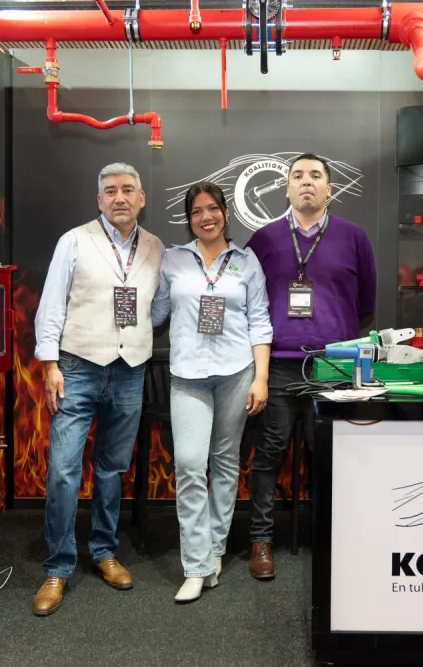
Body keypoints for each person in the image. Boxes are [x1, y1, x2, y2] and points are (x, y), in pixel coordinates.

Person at [31, 162, 164, 616]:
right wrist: (50, 364)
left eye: (128, 189)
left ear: (141, 198)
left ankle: (104, 550)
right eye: (110, 191)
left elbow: (158, 306)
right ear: (99, 199)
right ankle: (58, 566)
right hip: (77, 367)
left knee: (112, 468)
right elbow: (51, 304)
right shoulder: (74, 240)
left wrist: (138, 332)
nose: (119, 197)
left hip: (130, 370)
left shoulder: (155, 248)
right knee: (63, 470)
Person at [244, 153, 377, 579]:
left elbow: (366, 304)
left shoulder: (354, 237)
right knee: (268, 453)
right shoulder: (263, 240)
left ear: (328, 189)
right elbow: (247, 303)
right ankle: (261, 539)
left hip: (333, 367)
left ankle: (333, 537)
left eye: (315, 176)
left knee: (332, 453)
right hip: (279, 365)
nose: (307, 182)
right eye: (298, 176)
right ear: (287, 189)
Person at [151, 181, 273, 603]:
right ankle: (196, 566)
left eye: (213, 209)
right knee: (188, 463)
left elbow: (260, 321)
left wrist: (261, 377)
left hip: (237, 371)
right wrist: (122, 300)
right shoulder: (173, 259)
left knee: (224, 460)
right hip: (188, 374)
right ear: (189, 219)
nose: (206, 217)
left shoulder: (247, 262)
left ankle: (215, 550)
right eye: (197, 211)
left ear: (225, 212)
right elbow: (158, 312)